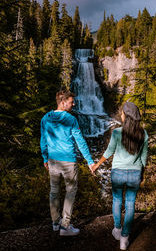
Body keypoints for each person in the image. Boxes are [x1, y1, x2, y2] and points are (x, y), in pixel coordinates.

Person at [92, 102, 148, 250]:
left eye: (122, 113)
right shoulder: (144, 134)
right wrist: (142, 173)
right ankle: (124, 238)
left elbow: (109, 152)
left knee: (117, 200)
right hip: (135, 173)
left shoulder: (117, 132)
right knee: (130, 205)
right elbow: (143, 157)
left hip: (117, 172)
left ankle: (117, 229)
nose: (121, 115)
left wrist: (97, 165)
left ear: (126, 117)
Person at [40, 90, 94, 236]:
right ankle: (65, 226)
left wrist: (45, 158)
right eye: (71, 102)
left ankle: (55, 223)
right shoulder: (71, 119)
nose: (74, 104)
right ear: (63, 103)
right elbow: (80, 141)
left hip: (53, 161)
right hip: (68, 161)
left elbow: (43, 141)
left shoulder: (45, 118)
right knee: (70, 191)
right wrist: (89, 160)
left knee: (54, 191)